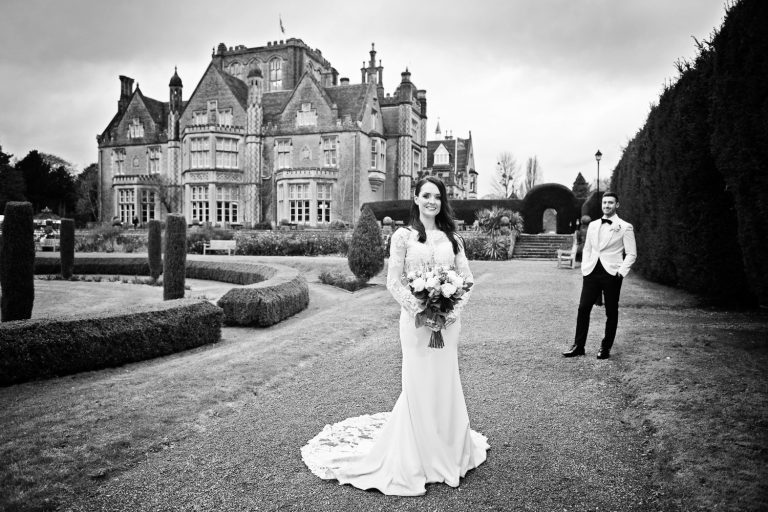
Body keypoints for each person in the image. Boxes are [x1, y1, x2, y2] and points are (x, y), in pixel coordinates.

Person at [301, 176, 489, 495]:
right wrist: (421, 311)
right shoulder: (402, 236)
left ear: (442, 201)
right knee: (418, 383)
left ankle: (447, 449)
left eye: (437, 196)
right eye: (426, 195)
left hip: (448, 324)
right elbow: (393, 281)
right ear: (415, 198)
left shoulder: (454, 239)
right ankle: (417, 455)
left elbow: (467, 280)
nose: (432, 201)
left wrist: (449, 313)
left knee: (445, 381)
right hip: (415, 324)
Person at [564, 192, 637, 359]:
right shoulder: (593, 225)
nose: (607, 205)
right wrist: (585, 268)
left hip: (612, 273)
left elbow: (631, 254)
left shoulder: (625, 227)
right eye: (604, 202)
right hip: (591, 272)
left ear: (617, 205)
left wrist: (621, 273)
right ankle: (578, 346)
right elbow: (588, 248)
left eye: (610, 203)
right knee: (583, 308)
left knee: (611, 312)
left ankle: (605, 348)